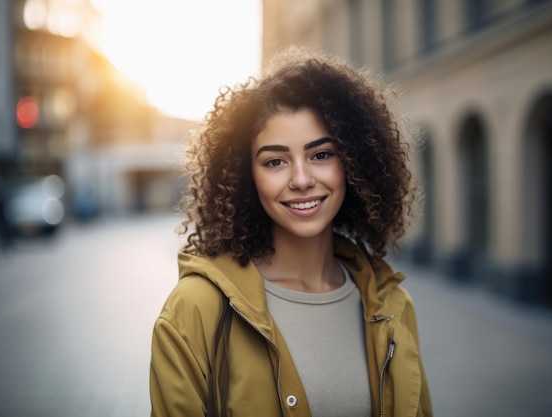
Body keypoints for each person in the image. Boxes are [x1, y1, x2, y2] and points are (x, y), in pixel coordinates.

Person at [149, 47, 433, 417]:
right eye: (275, 161)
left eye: (321, 155)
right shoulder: (194, 310)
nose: (301, 180)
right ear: (246, 176)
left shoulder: (394, 306)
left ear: (353, 163)